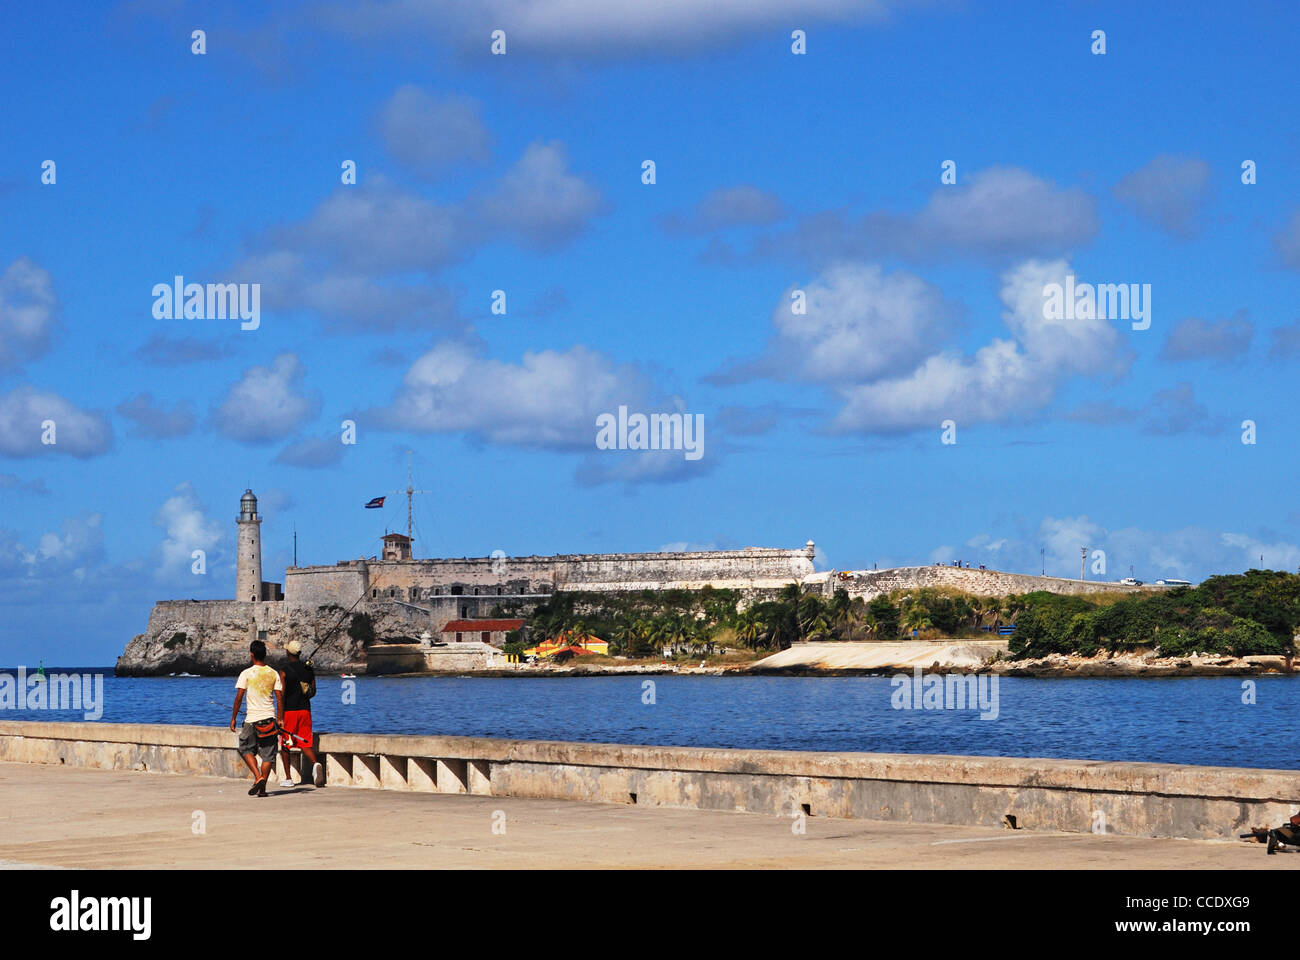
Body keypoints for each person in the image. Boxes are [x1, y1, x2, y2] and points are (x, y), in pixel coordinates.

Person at [230, 639, 283, 797]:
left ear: (252, 655)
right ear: (265, 655)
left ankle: (258, 777)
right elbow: (280, 698)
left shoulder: (246, 673)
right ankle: (263, 789)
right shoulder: (273, 673)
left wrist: (233, 718)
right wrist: (280, 718)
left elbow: (239, 698)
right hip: (269, 719)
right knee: (268, 755)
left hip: (252, 719)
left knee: (245, 748)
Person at [278, 640, 324, 788]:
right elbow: (313, 692)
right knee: (305, 742)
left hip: (290, 712)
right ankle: (315, 763)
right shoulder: (309, 669)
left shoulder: (284, 671)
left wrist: (279, 717)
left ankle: (288, 778)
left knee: (286, 744)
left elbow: (281, 696)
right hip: (305, 711)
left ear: (288, 653)